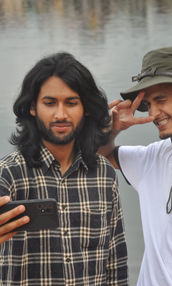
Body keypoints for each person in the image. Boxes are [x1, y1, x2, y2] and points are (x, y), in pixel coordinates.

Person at [0, 52, 128, 285]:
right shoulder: (9, 174)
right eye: (49, 103)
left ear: (86, 108)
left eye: (71, 103)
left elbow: (115, 261)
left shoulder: (104, 174)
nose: (60, 114)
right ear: (32, 108)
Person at [98, 46, 172, 286]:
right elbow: (97, 156)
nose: (153, 114)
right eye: (148, 104)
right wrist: (111, 129)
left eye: (161, 100)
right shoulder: (154, 157)